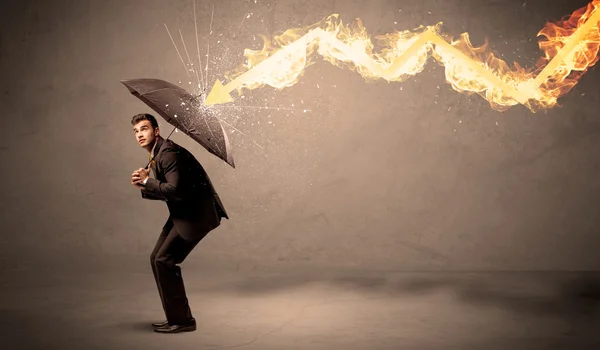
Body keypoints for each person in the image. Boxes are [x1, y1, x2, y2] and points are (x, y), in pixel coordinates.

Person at [130, 113, 229, 334]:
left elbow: (175, 191)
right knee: (157, 259)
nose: (139, 135)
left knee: (164, 260)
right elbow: (173, 193)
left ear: (156, 131)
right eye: (136, 131)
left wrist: (148, 181)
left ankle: (183, 321)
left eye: (144, 129)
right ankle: (177, 318)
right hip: (183, 212)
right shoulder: (159, 154)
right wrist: (145, 185)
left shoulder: (169, 154)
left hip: (195, 215)